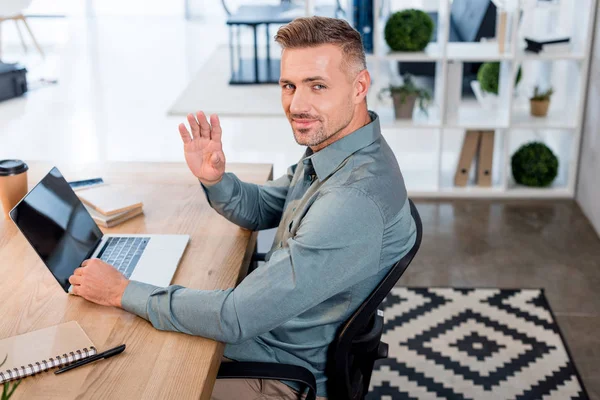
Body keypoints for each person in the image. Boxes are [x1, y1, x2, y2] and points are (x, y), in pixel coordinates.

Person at [68, 16, 416, 399]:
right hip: (264, 331)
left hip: (276, 371)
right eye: (289, 86)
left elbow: (236, 318)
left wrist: (122, 291)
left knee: (109, 378)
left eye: (317, 86)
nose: (297, 104)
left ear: (359, 87)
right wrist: (216, 179)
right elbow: (266, 208)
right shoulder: (340, 151)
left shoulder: (351, 199)